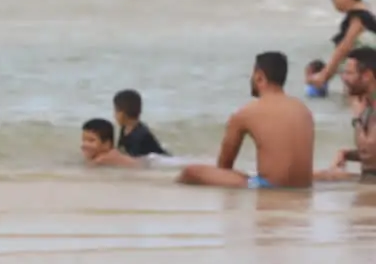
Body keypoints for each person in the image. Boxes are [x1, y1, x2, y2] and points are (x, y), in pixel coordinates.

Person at [177, 51, 314, 189]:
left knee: (190, 172)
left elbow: (224, 167)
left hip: (268, 187)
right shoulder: (303, 110)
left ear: (259, 77)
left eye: (252, 75)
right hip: (304, 186)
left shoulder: (246, 113)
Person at [315, 50, 376, 183]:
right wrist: (347, 154)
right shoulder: (367, 107)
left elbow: (371, 151)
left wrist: (358, 118)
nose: (343, 78)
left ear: (367, 75)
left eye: (349, 73)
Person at [309, 0, 376, 92]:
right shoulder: (366, 14)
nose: (332, 0)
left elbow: (345, 46)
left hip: (363, 75)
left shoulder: (358, 17)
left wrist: (325, 75)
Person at [113, 89, 169, 157]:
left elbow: (135, 159)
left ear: (123, 114)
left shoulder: (140, 136)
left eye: (116, 111)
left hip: (162, 159)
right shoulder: (125, 128)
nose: (114, 115)